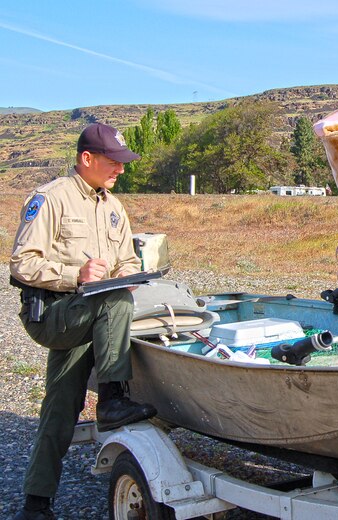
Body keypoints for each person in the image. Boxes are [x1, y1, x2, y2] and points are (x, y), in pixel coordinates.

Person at [10, 123, 157, 520]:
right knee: (113, 301)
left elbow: (127, 261)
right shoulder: (50, 198)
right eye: (113, 162)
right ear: (86, 159)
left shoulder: (113, 206)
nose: (121, 170)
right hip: (55, 313)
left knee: (60, 406)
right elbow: (23, 263)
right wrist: (76, 275)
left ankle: (35, 504)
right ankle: (111, 400)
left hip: (93, 312)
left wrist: (128, 275)